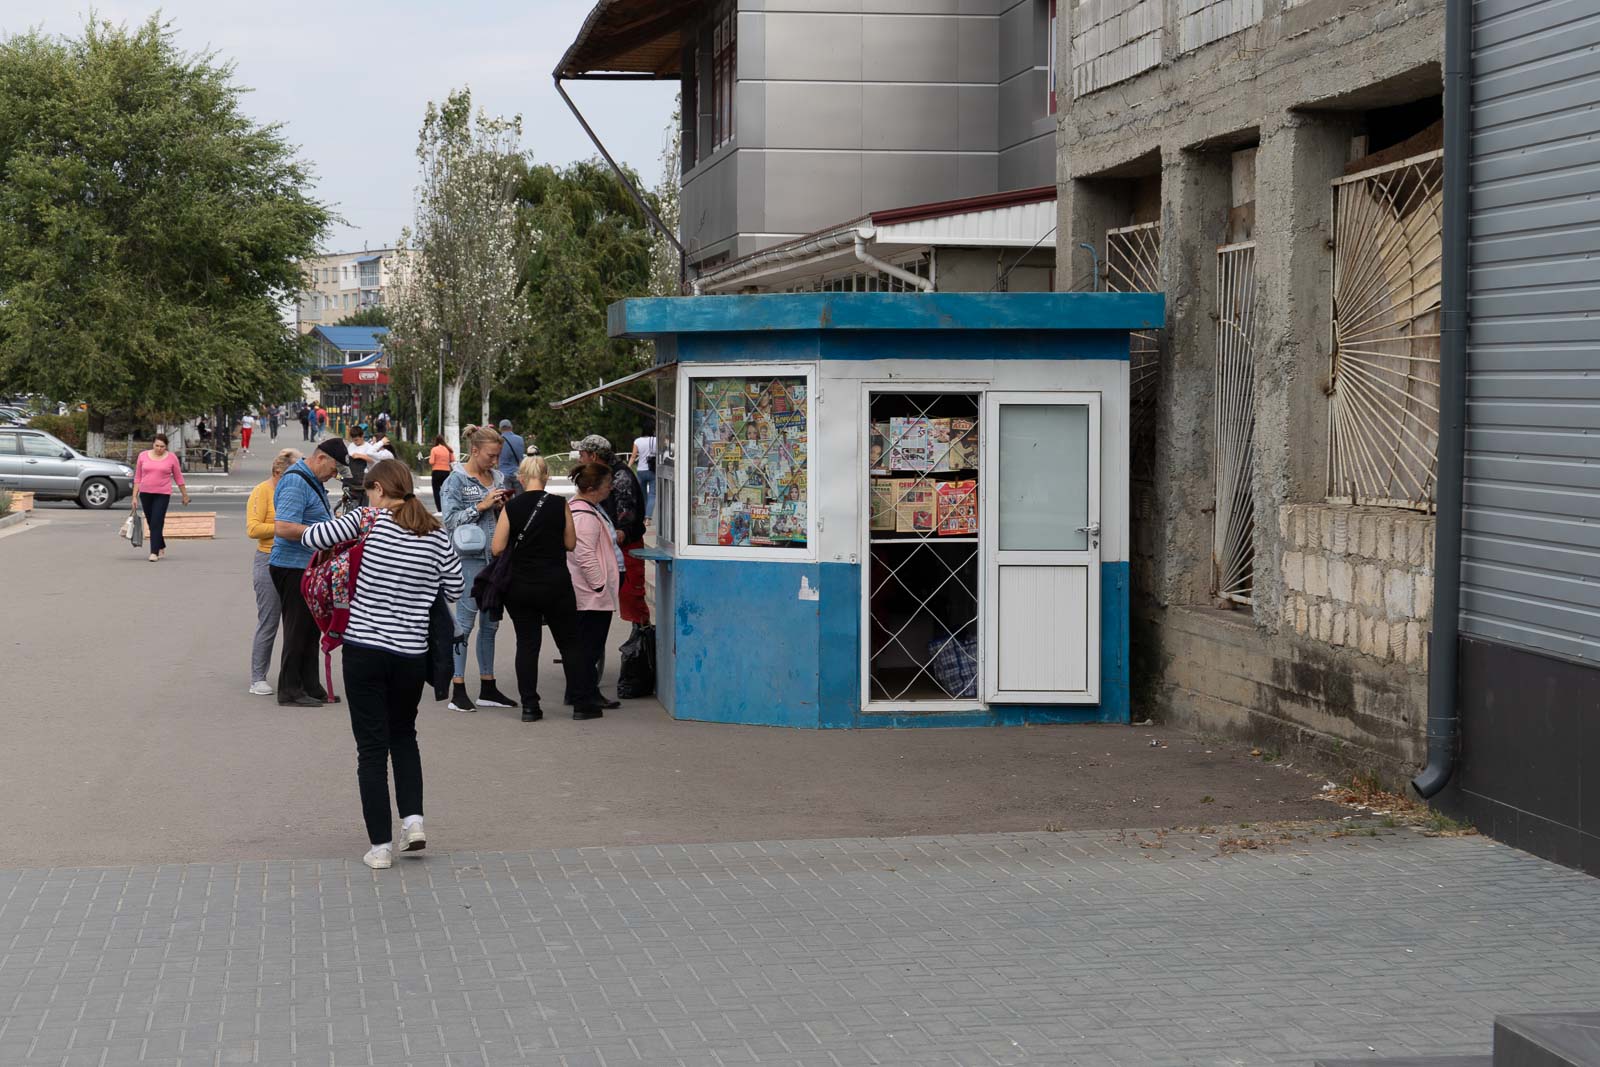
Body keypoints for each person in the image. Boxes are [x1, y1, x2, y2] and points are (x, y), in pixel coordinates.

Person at [300, 459, 464, 870]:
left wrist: (353, 523)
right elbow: (457, 586)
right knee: (404, 736)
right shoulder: (435, 532)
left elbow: (311, 537)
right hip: (411, 655)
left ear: (376, 489)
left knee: (371, 751)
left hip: (364, 651)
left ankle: (380, 847)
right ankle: (414, 822)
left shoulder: (366, 520)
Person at [493, 455, 589, 722]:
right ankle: (581, 705)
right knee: (570, 643)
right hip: (556, 583)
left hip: (520, 587)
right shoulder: (560, 504)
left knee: (527, 644)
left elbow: (497, 548)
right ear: (546, 476)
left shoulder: (511, 508)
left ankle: (530, 707)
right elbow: (571, 543)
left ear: (521, 479)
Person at [439, 427, 516, 712]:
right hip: (468, 559)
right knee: (465, 623)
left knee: (491, 624)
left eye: (498, 456)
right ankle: (457, 687)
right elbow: (449, 521)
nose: (495, 462)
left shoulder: (498, 478)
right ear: (474, 451)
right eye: (490, 455)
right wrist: (481, 506)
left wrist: (502, 507)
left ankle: (488, 686)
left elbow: (499, 516)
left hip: (494, 558)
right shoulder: (455, 481)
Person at [270, 438, 348, 707]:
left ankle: (311, 685)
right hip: (292, 566)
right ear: (321, 458)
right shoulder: (295, 481)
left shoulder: (311, 480)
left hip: (307, 566)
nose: (334, 475)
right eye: (334, 469)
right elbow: (283, 527)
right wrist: (326, 533)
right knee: (296, 629)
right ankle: (289, 689)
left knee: (311, 629)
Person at [577, 434, 649, 633]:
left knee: (631, 598)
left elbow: (625, 522)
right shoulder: (604, 474)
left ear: (592, 456)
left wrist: (606, 535)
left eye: (582, 454)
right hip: (610, 546)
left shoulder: (620, 477)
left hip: (626, 549)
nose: (579, 459)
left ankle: (642, 648)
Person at [565, 463, 620, 720]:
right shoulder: (585, 516)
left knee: (587, 649)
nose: (611, 486)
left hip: (589, 593)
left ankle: (584, 695)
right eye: (607, 482)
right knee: (588, 650)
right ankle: (583, 701)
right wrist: (600, 584)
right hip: (590, 595)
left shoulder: (585, 510)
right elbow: (583, 554)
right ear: (592, 488)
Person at [246, 449, 301, 695]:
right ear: (277, 472)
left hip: (293, 559)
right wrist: (284, 528)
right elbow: (254, 529)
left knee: (296, 623)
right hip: (268, 559)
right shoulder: (262, 491)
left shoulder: (294, 492)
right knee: (269, 621)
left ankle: (292, 676)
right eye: (289, 475)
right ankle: (258, 678)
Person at [132, 432, 190, 563]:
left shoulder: (171, 458)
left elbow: (178, 477)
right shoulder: (143, 456)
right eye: (157, 446)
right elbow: (138, 477)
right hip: (145, 493)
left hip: (162, 493)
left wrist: (185, 494)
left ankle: (154, 552)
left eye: (162, 446)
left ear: (166, 447)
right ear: (153, 444)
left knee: (157, 521)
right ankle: (161, 544)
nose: (159, 449)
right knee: (151, 522)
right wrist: (134, 497)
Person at [631, 420, 658, 525]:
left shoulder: (637, 441)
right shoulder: (656, 440)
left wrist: (628, 467)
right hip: (652, 470)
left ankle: (642, 517)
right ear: (653, 430)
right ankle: (648, 518)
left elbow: (633, 456)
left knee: (642, 495)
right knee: (652, 494)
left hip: (640, 471)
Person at [496, 419, 526, 495]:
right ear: (511, 427)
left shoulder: (498, 440)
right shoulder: (520, 439)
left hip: (503, 474)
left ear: (500, 429)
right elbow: (521, 457)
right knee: (520, 499)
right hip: (517, 473)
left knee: (506, 499)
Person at [428, 435, 454, 510]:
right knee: (445, 490)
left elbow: (431, 461)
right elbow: (452, 460)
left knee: (436, 490)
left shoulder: (434, 449)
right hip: (446, 472)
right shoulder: (448, 449)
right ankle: (446, 507)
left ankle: (439, 508)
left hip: (436, 472)